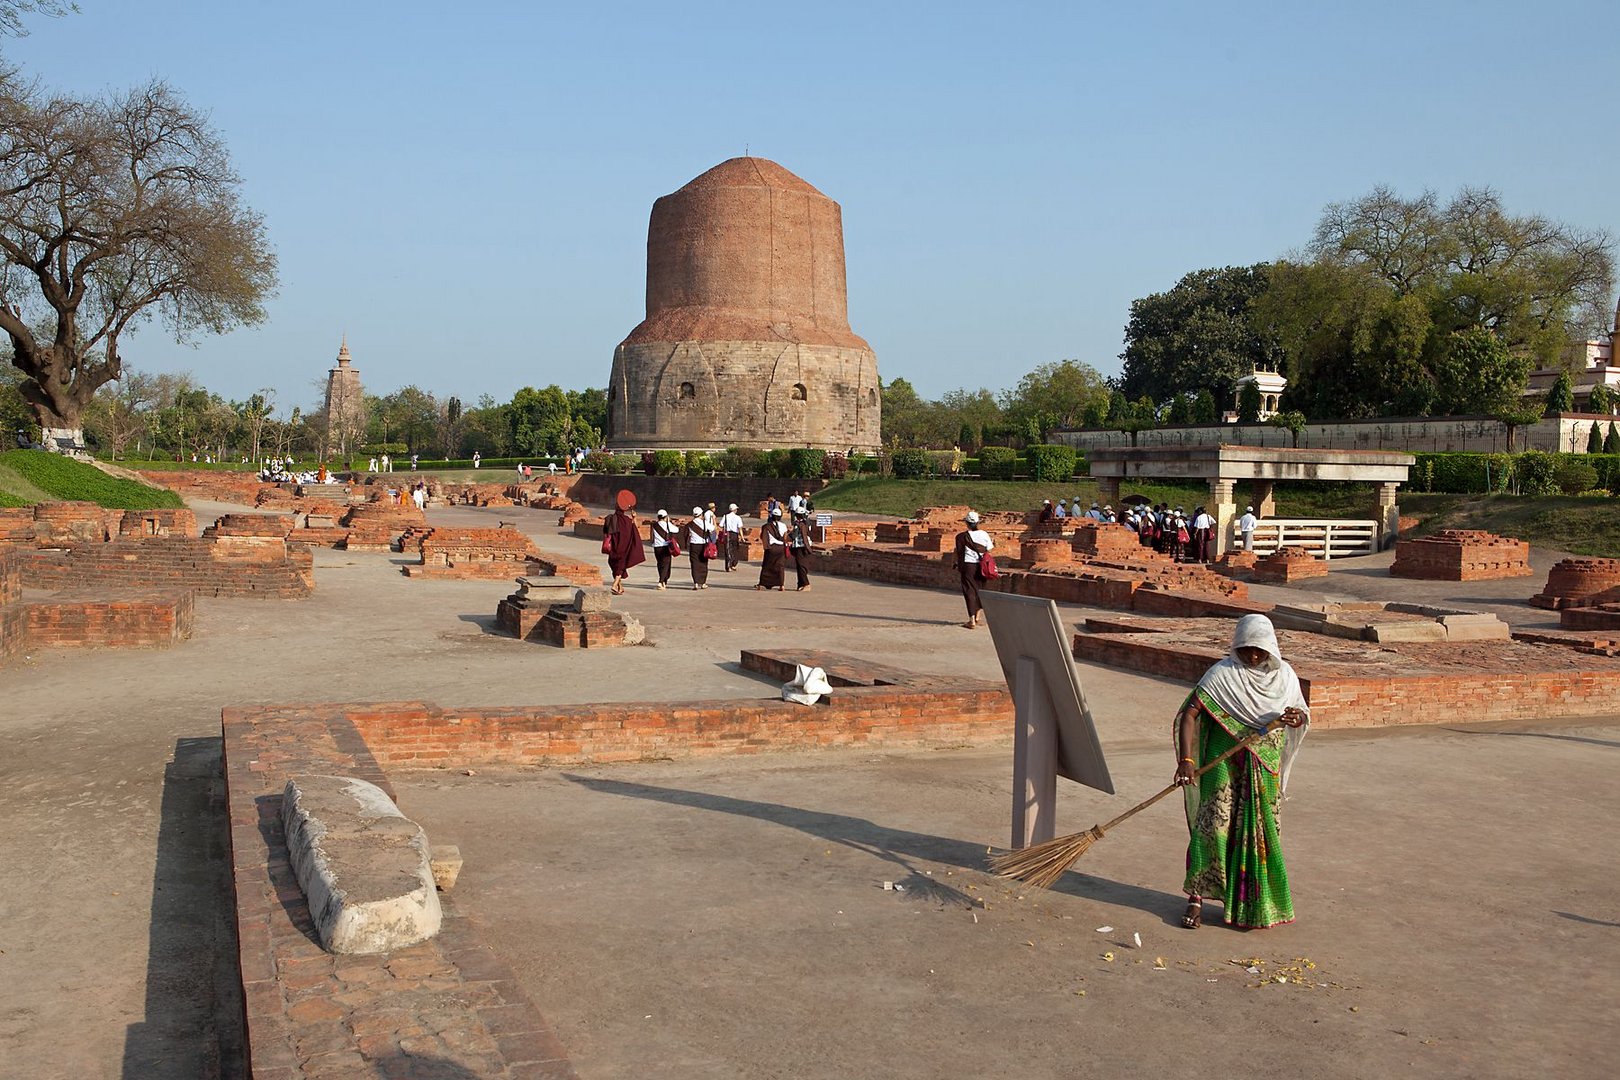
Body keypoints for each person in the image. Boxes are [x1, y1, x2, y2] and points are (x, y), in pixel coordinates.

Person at [1173, 614, 1309, 930]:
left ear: (1271, 649)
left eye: (1260, 650)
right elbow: (1189, 715)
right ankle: (1196, 898)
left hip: (1263, 764)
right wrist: (1186, 761)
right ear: (1237, 646)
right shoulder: (1222, 675)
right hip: (1222, 763)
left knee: (1261, 832)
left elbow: (1300, 713)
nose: (1253, 656)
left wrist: (1294, 718)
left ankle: (1253, 905)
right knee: (1213, 828)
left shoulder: (1284, 676)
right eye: (1247, 649)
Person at [951, 510, 993, 629]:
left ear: (967, 523)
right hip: (981, 565)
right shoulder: (984, 534)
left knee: (969, 590)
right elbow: (989, 549)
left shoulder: (961, 537)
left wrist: (956, 564)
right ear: (978, 522)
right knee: (980, 589)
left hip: (968, 565)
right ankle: (978, 616)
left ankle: (972, 620)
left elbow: (959, 553)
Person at [604, 490, 645, 595]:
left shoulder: (610, 518)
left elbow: (605, 531)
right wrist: (634, 518)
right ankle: (617, 586)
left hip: (614, 547)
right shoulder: (626, 521)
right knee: (618, 566)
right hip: (624, 547)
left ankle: (617, 586)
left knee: (617, 565)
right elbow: (634, 529)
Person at [756, 507, 788, 590]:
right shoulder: (783, 525)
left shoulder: (766, 526)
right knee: (780, 566)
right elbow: (785, 537)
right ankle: (781, 585)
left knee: (767, 565)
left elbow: (763, 537)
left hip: (771, 548)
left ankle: (763, 584)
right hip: (781, 548)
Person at [650, 509, 678, 590]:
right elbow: (677, 530)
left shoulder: (655, 525)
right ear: (666, 517)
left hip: (657, 547)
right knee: (666, 565)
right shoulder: (667, 525)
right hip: (665, 547)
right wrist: (668, 522)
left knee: (660, 564)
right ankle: (661, 581)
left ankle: (663, 582)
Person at [685, 506, 711, 589]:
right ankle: (703, 583)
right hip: (703, 545)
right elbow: (713, 529)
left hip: (693, 545)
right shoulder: (704, 523)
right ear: (701, 514)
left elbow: (685, 535)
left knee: (694, 564)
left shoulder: (689, 524)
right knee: (703, 564)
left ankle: (696, 582)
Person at [789, 511, 814, 591]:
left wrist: (789, 532)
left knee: (800, 566)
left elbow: (794, 536)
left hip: (799, 546)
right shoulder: (807, 523)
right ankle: (801, 584)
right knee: (802, 565)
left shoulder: (798, 524)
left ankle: (806, 584)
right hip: (806, 546)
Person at [721, 502, 744, 571]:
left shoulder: (725, 516)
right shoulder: (738, 517)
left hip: (727, 534)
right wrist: (742, 537)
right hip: (735, 534)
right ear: (735, 510)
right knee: (735, 550)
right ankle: (733, 564)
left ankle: (728, 566)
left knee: (728, 550)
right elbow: (740, 528)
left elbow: (721, 525)